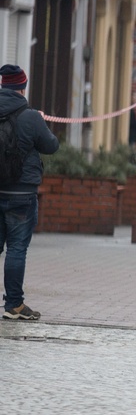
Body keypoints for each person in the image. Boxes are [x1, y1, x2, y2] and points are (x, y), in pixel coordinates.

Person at [0, 64, 59, 321]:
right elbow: (51, 145)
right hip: (21, 194)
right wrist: (41, 122)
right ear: (22, 87)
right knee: (16, 249)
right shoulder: (31, 116)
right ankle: (14, 305)